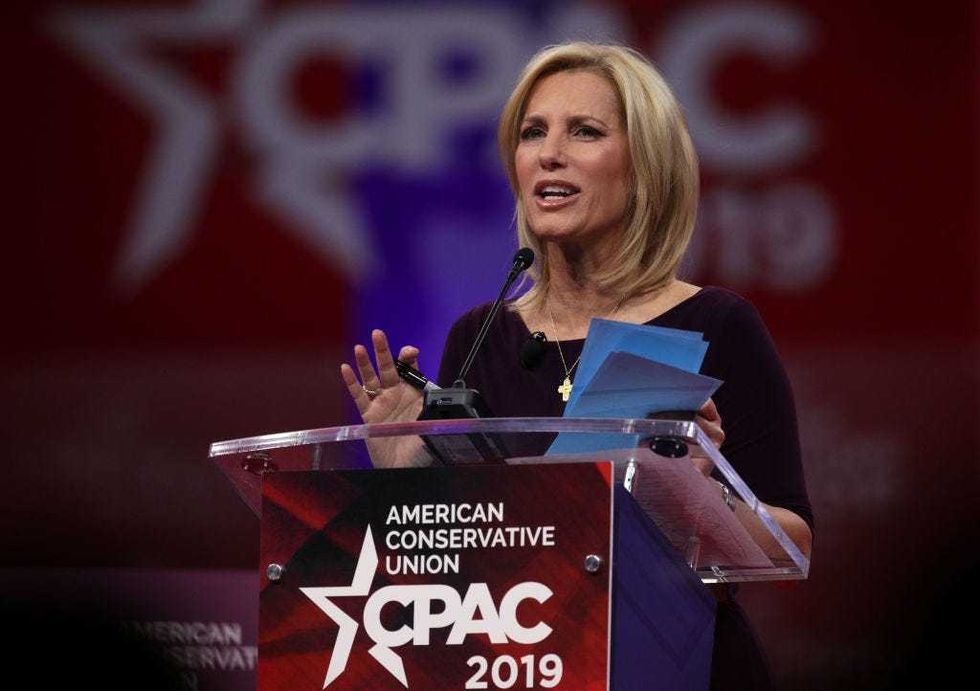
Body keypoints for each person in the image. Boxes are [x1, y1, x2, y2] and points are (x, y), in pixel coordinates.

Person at [341, 42, 813, 690]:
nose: (548, 152)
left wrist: (704, 495)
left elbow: (792, 544)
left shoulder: (716, 324)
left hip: (677, 667)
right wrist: (405, 475)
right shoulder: (480, 337)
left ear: (645, 167)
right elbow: (457, 563)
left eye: (584, 131)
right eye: (532, 132)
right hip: (521, 666)